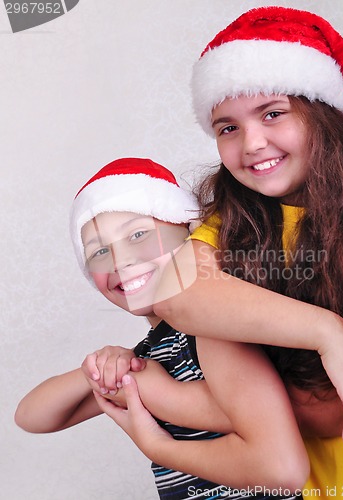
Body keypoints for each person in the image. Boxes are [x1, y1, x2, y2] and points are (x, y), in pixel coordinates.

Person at [99, 7, 343, 499]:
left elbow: (335, 412)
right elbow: (178, 294)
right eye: (227, 128)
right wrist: (331, 334)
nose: (252, 143)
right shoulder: (238, 222)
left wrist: (165, 401)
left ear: (322, 109)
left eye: (273, 113)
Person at [15, 157, 312, 500]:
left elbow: (270, 430)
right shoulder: (147, 357)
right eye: (98, 251)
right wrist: (99, 370)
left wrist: (147, 394)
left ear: (190, 232)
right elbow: (31, 416)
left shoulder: (213, 324)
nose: (120, 260)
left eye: (138, 234)